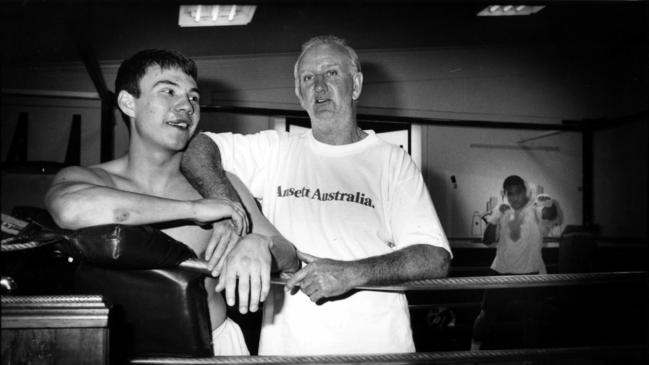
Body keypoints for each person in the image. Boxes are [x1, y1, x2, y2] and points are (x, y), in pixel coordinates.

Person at [181, 35, 452, 355]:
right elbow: (196, 147)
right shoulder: (275, 149)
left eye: (331, 73)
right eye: (308, 78)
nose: (319, 87)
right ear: (298, 92)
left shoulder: (392, 160)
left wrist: (352, 273)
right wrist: (230, 211)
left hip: (378, 349)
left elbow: (435, 258)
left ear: (356, 85)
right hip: (290, 351)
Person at [44, 49, 299, 355]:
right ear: (128, 103)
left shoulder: (224, 184)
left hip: (215, 346)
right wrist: (194, 210)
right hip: (115, 351)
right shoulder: (91, 179)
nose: (186, 106)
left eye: (193, 97)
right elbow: (70, 209)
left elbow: (290, 257)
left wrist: (260, 243)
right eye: (168, 91)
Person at [471, 174, 560, 350]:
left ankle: (529, 360)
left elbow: (550, 214)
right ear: (506, 194)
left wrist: (550, 204)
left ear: (524, 191)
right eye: (510, 193)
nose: (514, 197)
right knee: (486, 315)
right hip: (500, 271)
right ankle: (471, 354)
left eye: (518, 192)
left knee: (531, 319)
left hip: (530, 273)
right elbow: (487, 241)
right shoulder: (502, 210)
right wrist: (494, 219)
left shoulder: (536, 209)